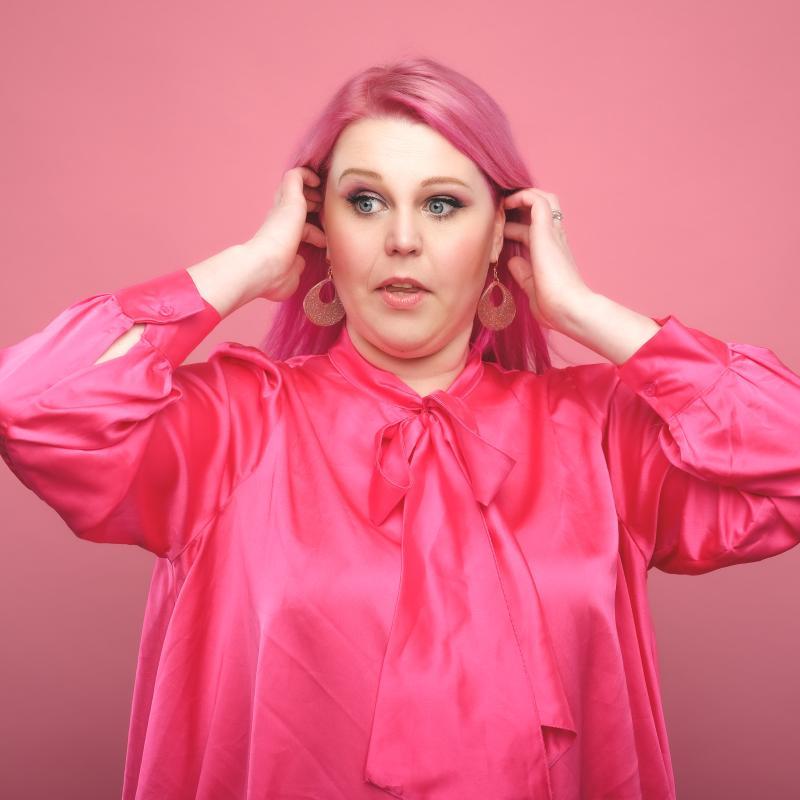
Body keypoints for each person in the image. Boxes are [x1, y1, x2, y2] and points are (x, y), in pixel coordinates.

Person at [1, 56, 798, 800]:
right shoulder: (234, 425)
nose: (403, 239)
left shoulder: (600, 436)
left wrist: (583, 312)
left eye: (443, 204)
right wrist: (245, 267)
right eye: (365, 201)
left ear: (503, 235)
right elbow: (33, 401)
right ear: (320, 227)